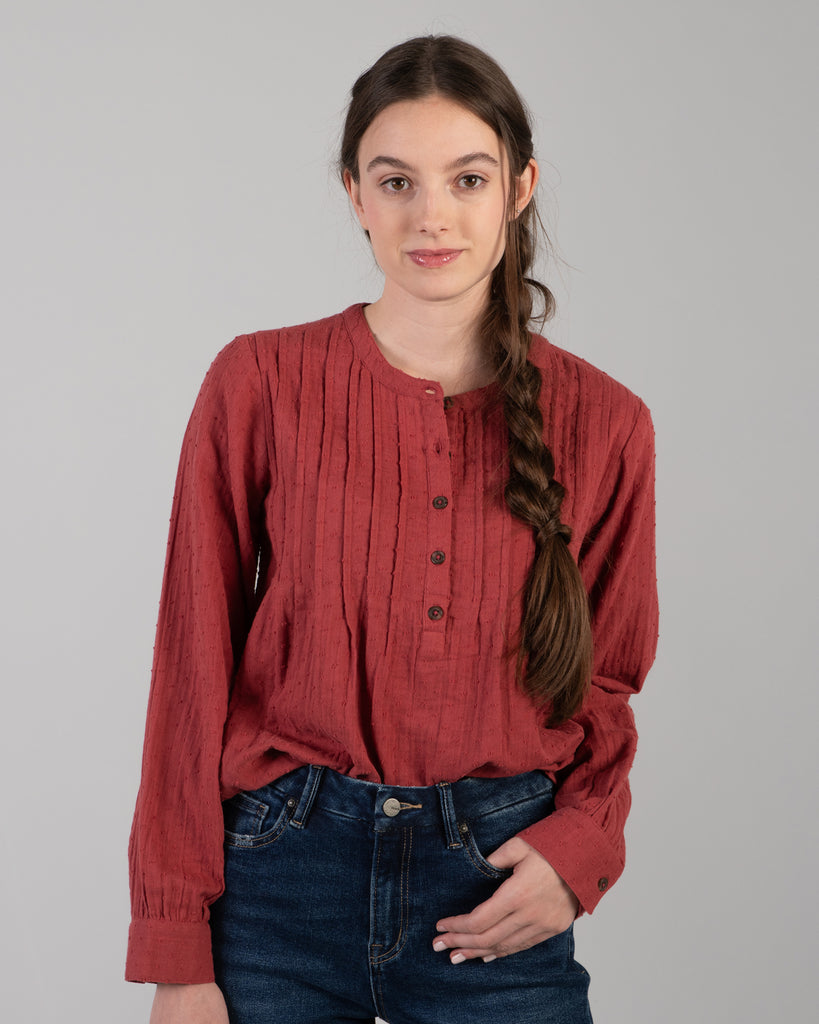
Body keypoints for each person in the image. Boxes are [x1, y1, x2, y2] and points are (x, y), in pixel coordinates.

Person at [127, 34, 658, 1024]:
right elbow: (190, 666)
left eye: (466, 177)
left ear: (520, 186)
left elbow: (608, 682)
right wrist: (174, 947)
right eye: (396, 180)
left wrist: (578, 852)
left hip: (495, 885)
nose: (432, 215)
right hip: (278, 880)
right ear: (354, 195)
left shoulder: (608, 421)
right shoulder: (259, 384)